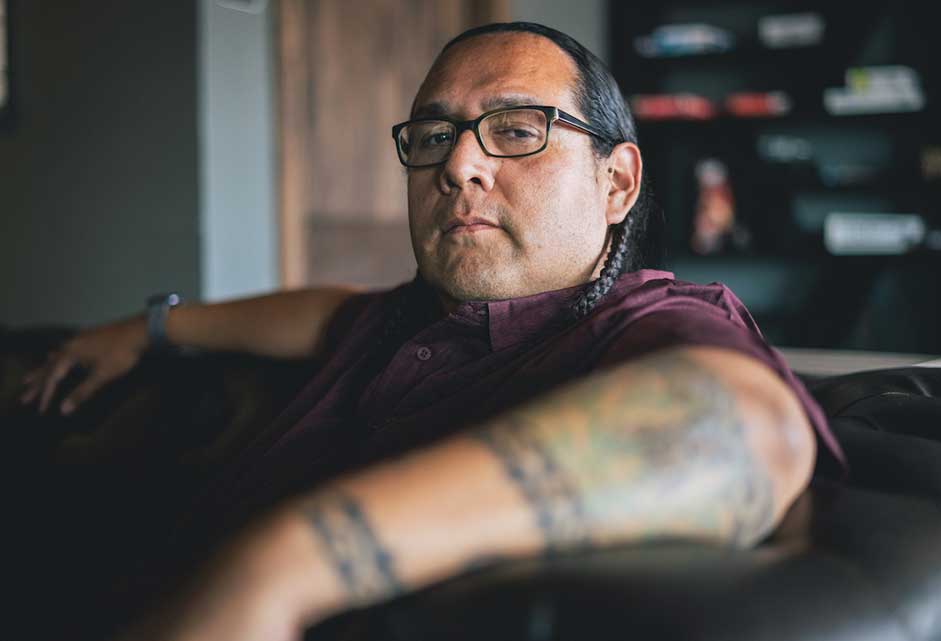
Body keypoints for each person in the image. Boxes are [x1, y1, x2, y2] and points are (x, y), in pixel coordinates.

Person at [20, 22, 843, 641]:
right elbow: (322, 310)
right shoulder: (398, 319)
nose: (457, 165)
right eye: (434, 135)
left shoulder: (643, 322)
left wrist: (285, 564)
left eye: (518, 129)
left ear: (618, 181)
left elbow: (747, 431)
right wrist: (151, 327)